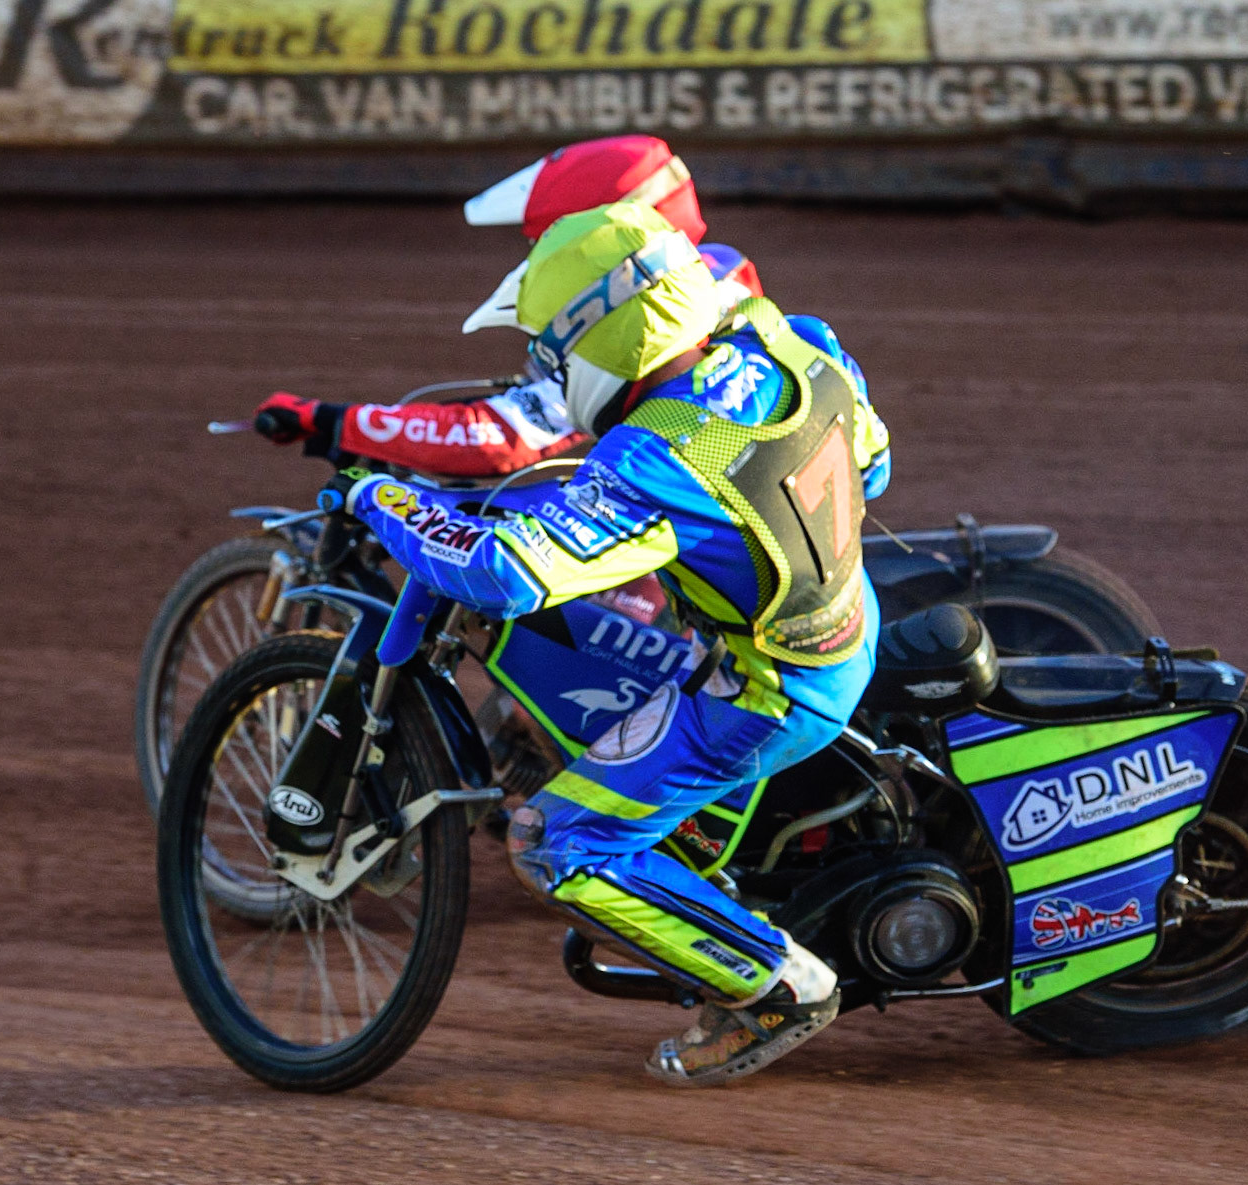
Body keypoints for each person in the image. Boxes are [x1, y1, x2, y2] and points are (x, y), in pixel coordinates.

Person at [342, 201, 891, 1084]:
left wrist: (386, 502)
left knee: (551, 840)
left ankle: (773, 983)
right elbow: (875, 461)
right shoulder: (793, 341)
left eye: (549, 350)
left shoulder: (656, 456)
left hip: (769, 690)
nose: (546, 370)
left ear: (604, 337)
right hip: (850, 612)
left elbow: (505, 575)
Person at [252, 135, 762, 478]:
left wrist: (335, 419)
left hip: (690, 521)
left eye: (556, 238)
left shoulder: (641, 312)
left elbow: (500, 440)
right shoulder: (716, 268)